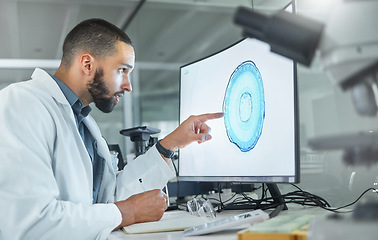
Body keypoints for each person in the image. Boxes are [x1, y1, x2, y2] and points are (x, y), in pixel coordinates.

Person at [0, 18, 223, 240]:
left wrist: (171, 143)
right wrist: (128, 212)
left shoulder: (83, 120)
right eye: (122, 70)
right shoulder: (22, 102)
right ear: (87, 64)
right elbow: (30, 224)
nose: (128, 85)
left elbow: (106, 201)